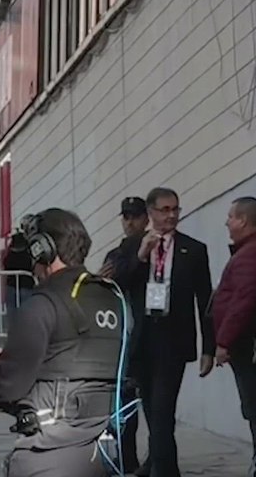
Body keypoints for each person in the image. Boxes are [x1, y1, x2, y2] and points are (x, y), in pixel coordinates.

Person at [0, 208, 126, 477]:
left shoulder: (42, 304)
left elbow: (6, 386)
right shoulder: (112, 298)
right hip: (103, 455)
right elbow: (76, 361)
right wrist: (11, 357)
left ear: (43, 250)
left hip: (48, 456)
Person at [107, 187, 215, 477]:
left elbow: (205, 300)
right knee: (154, 413)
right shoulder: (131, 246)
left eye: (175, 210)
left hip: (173, 338)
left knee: (163, 410)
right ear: (151, 213)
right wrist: (140, 257)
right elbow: (117, 285)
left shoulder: (193, 250)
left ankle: (162, 470)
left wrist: (209, 347)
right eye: (164, 210)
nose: (170, 216)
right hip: (143, 339)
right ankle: (162, 465)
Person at [211, 197, 256, 477]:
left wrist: (224, 342)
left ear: (243, 220)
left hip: (251, 345)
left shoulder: (252, 254)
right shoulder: (251, 251)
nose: (227, 223)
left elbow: (244, 302)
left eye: (231, 217)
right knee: (255, 409)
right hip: (252, 343)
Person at [100, 196, 151, 475]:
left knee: (156, 407)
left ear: (146, 218)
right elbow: (107, 284)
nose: (130, 222)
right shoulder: (117, 254)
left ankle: (156, 459)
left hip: (149, 337)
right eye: (126, 217)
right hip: (125, 340)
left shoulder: (154, 250)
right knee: (125, 403)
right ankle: (127, 457)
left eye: (135, 216)